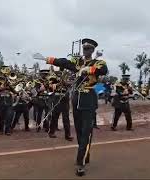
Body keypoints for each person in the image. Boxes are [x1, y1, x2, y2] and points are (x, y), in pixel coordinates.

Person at [45, 38, 108, 176]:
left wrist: (89, 69)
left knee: (86, 132)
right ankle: (85, 155)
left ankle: (81, 163)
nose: (86, 51)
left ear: (93, 50)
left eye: (89, 49)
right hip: (76, 99)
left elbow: (103, 70)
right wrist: (49, 59)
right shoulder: (77, 61)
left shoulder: (98, 62)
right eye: (84, 48)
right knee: (79, 131)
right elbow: (65, 62)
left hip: (89, 99)